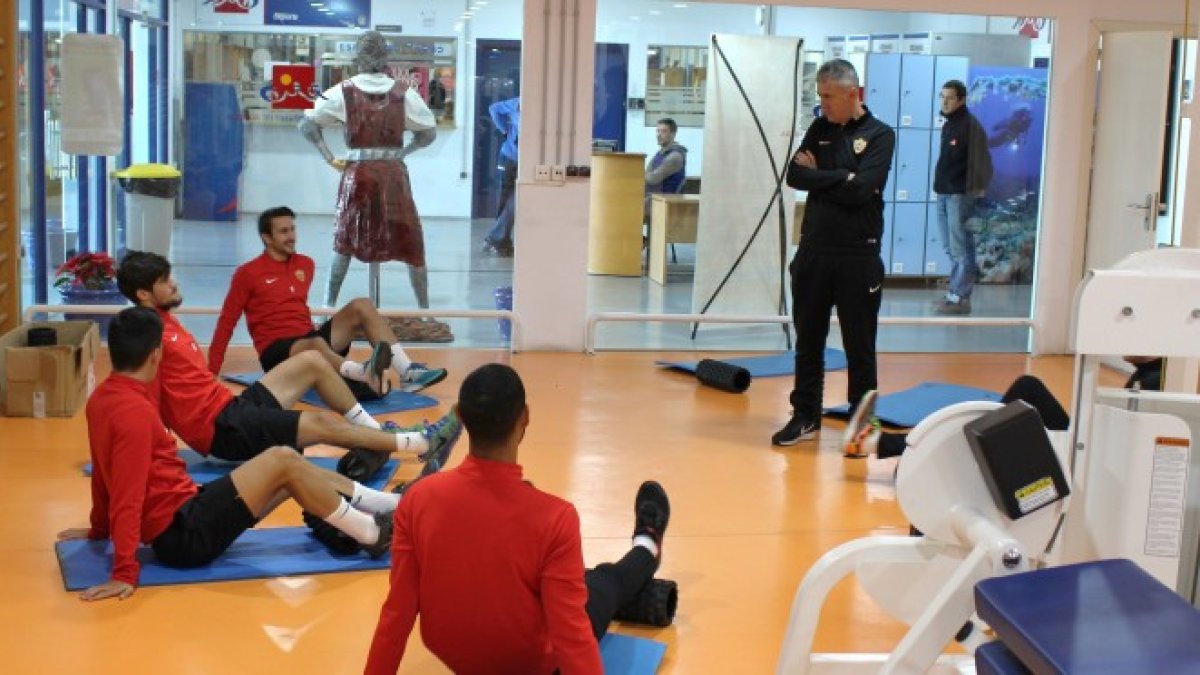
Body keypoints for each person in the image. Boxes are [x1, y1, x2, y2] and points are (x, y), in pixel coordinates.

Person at [56, 307, 400, 602]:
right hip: (184, 535)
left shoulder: (101, 400)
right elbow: (127, 495)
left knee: (290, 468)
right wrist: (125, 571)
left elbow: (104, 474)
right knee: (282, 458)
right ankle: (371, 532)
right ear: (155, 355)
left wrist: (98, 530)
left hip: (189, 511)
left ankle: (388, 508)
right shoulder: (135, 412)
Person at [365, 364, 671, 674]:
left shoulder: (417, 499)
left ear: (460, 415)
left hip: (453, 654)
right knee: (606, 582)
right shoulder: (555, 517)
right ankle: (647, 545)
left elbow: (397, 612)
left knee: (564, 573)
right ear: (524, 417)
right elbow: (572, 636)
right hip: (531, 664)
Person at [116, 251, 458, 465]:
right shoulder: (146, 336)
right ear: (144, 294)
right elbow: (142, 397)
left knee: (313, 363)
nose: (173, 284)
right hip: (221, 431)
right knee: (321, 425)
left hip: (232, 407)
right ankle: (421, 442)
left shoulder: (166, 319)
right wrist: (156, 456)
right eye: (164, 282)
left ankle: (375, 430)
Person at [773, 59, 896, 447]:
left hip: (858, 257)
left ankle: (862, 428)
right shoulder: (820, 128)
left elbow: (864, 190)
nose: (822, 104)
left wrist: (824, 176)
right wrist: (844, 177)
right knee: (808, 341)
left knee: (860, 346)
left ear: (852, 94)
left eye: (828, 97)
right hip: (814, 253)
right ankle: (806, 415)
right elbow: (795, 175)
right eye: (819, 96)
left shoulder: (880, 135)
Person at [207, 206, 448, 394]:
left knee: (361, 305)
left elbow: (296, 312)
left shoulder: (305, 265)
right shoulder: (247, 274)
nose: (291, 236)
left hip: (312, 342)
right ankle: (361, 372)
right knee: (314, 345)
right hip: (277, 353)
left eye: (293, 229)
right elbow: (226, 323)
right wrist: (211, 373)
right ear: (266, 238)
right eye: (283, 231)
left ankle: (407, 372)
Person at [299, 30, 437, 309]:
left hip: (358, 172)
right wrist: (402, 153)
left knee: (346, 237)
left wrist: (329, 157)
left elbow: (307, 125)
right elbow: (428, 133)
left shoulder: (342, 91)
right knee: (410, 239)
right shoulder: (404, 93)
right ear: (384, 57)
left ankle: (327, 308)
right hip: (392, 175)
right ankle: (424, 311)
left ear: (357, 58)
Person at [842, 359, 1164, 459]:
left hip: (1085, 458)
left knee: (1001, 420)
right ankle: (889, 445)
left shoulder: (1156, 381)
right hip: (1087, 446)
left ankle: (883, 444)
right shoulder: (1148, 374)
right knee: (1025, 391)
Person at [932, 79, 993, 315]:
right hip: (944, 193)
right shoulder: (949, 124)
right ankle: (954, 293)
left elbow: (984, 162)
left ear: (962, 100)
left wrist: (977, 188)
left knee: (961, 248)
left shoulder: (970, 125)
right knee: (950, 246)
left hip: (959, 194)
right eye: (942, 97)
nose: (945, 102)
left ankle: (960, 298)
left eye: (950, 98)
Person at [483, 97, 520, 256]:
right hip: (508, 157)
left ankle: (497, 238)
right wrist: (504, 129)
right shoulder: (517, 103)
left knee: (514, 201)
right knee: (505, 199)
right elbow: (493, 108)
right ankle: (499, 239)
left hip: (525, 160)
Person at [644, 117, 688, 221]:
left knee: (627, 207)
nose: (659, 135)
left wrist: (646, 174)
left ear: (673, 134)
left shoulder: (675, 156)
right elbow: (648, 173)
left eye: (663, 131)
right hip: (655, 199)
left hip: (665, 202)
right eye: (657, 131)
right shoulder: (660, 153)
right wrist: (647, 174)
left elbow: (653, 178)